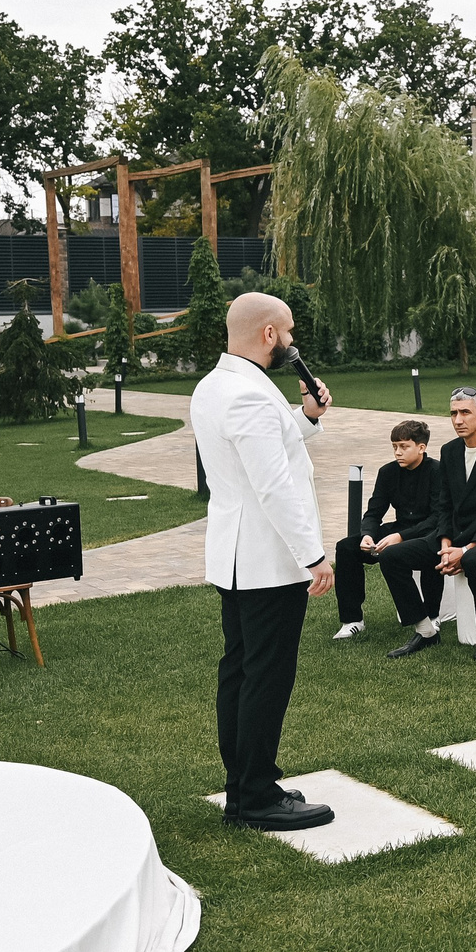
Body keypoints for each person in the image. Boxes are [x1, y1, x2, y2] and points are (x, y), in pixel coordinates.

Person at [193, 291, 335, 832]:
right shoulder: (248, 396)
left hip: (236, 558)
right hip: (268, 559)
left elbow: (266, 445)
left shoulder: (218, 386)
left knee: (241, 672)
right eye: (290, 331)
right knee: (266, 678)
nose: (294, 341)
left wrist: (306, 416)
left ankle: (248, 781)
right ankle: (253, 796)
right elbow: (273, 484)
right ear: (270, 335)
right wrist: (314, 557)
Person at [384, 389, 476, 661]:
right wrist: (445, 543)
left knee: (474, 561)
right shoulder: (449, 451)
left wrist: (467, 549)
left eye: (465, 412)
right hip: (454, 535)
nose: (458, 419)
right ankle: (425, 630)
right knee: (392, 556)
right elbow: (444, 504)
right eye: (453, 413)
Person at [331, 419, 444, 642]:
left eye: (404, 447)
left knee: (432, 550)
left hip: (429, 532)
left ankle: (432, 615)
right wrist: (367, 535)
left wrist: (401, 537)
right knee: (346, 547)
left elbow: (437, 517)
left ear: (421, 447)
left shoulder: (437, 471)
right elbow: (374, 512)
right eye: (394, 447)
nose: (398, 452)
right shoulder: (387, 472)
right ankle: (352, 620)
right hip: (398, 528)